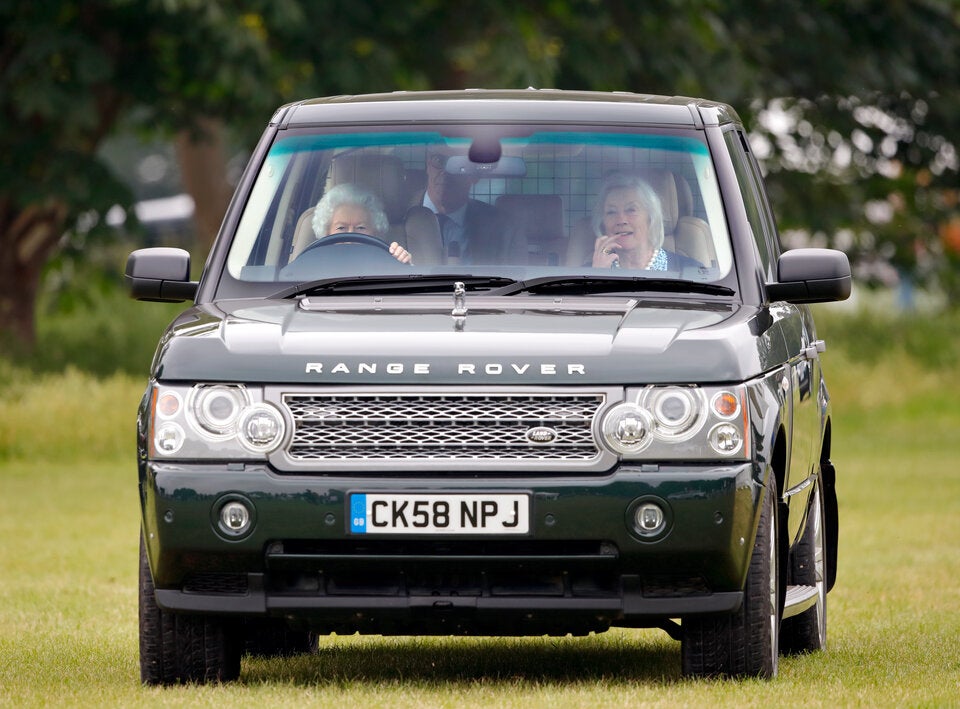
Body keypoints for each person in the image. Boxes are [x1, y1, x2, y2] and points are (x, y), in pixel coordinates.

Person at [421, 145, 526, 264]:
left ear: (476, 176)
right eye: (439, 161)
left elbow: (519, 278)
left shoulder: (506, 229)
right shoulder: (397, 219)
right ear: (428, 165)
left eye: (459, 165)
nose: (446, 171)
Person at [590, 173, 693, 271]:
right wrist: (598, 274)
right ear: (603, 223)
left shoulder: (690, 271)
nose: (621, 220)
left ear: (650, 218)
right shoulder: (588, 272)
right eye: (611, 212)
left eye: (631, 210)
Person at [311, 183, 412, 263]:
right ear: (327, 232)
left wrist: (404, 266)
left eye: (360, 227)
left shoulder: (386, 262)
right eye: (341, 228)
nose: (350, 236)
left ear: (375, 232)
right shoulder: (314, 265)